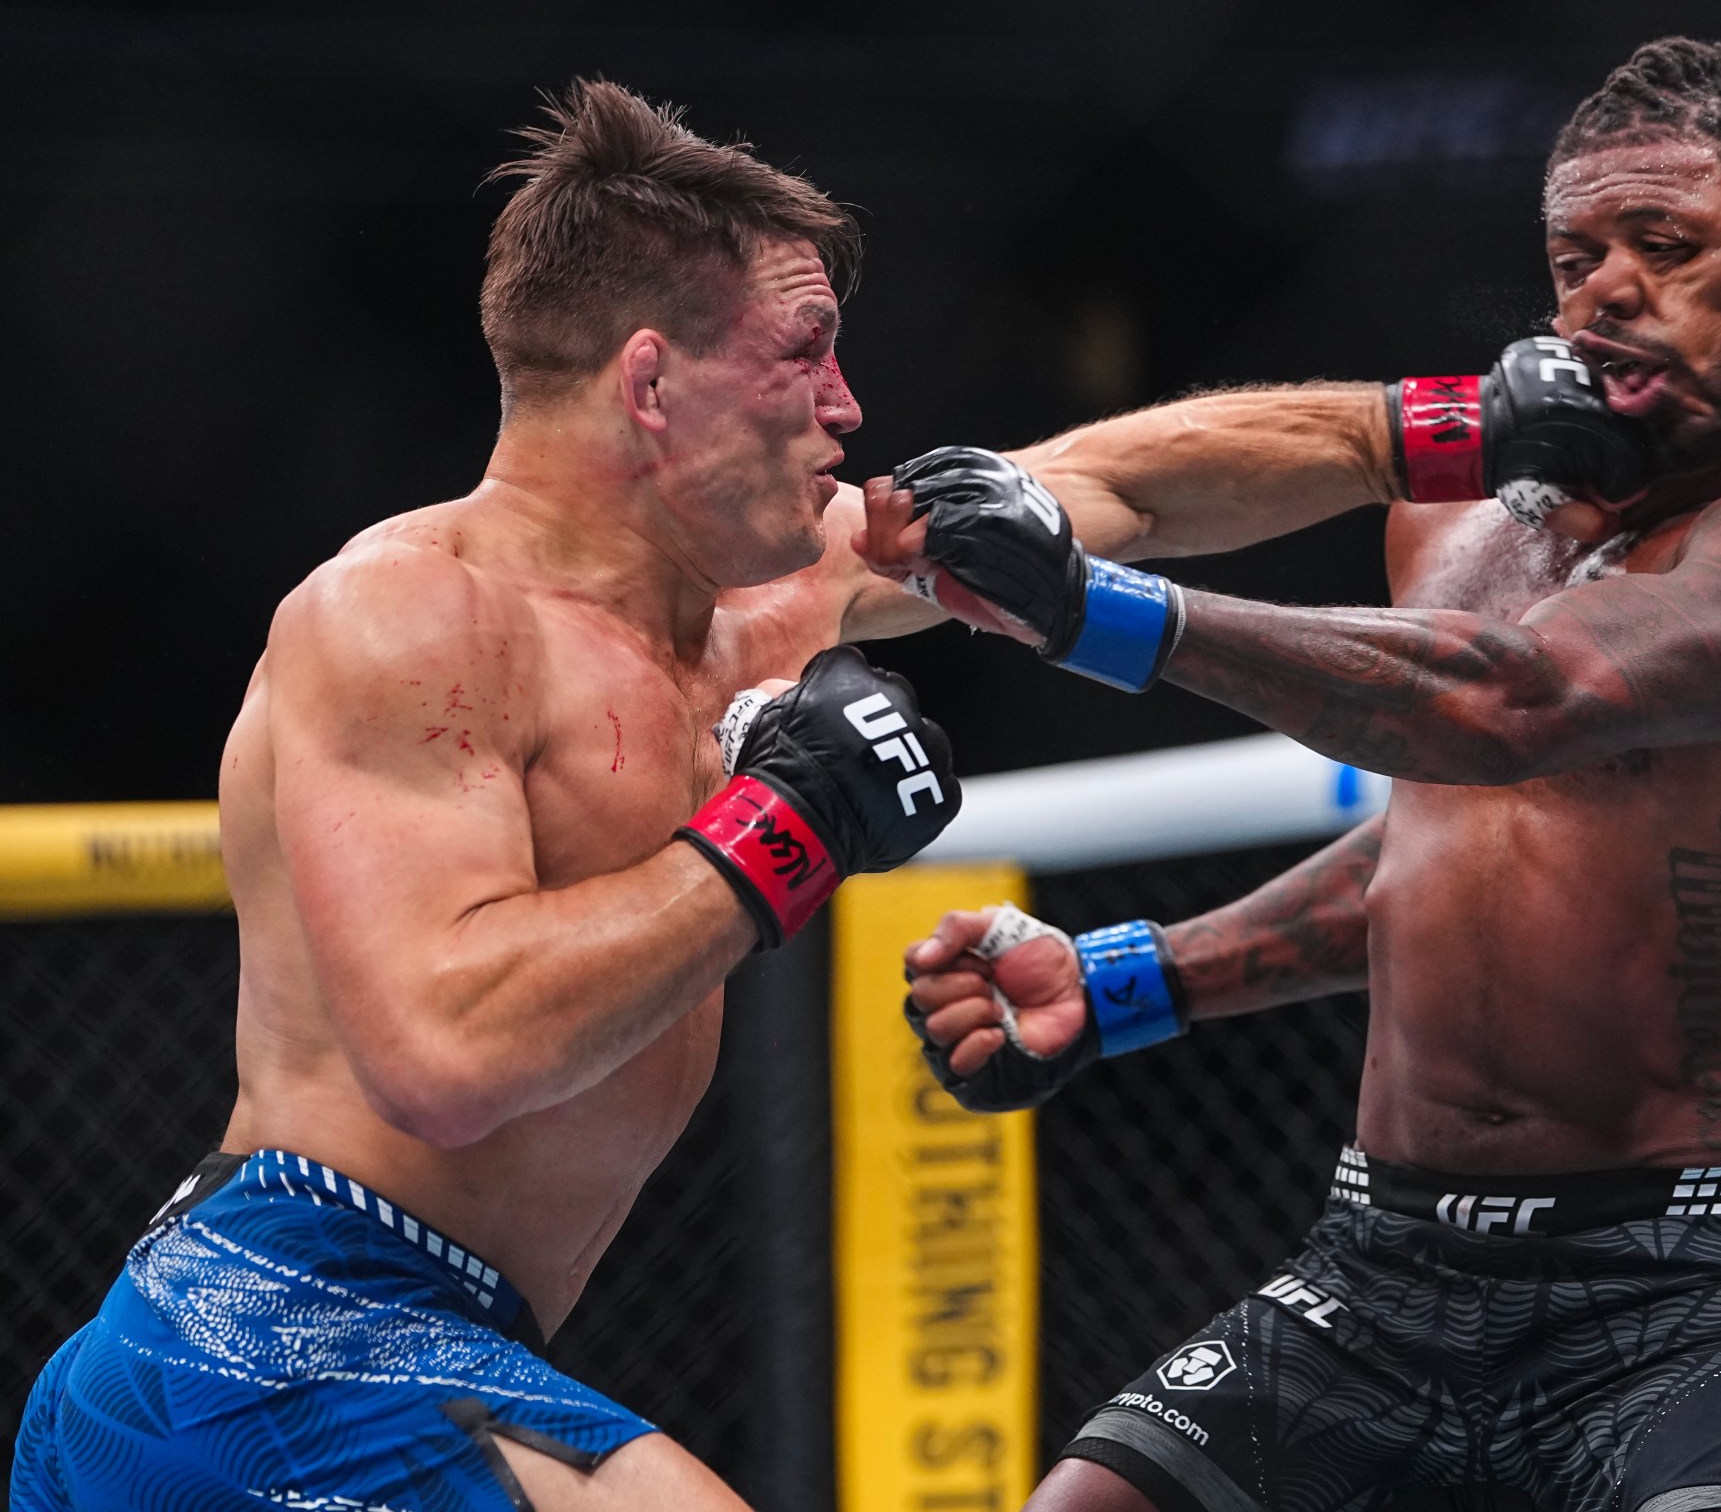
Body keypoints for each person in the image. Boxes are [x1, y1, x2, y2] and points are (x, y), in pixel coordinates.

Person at [8, 82, 1633, 1512]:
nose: (851, 409)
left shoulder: (766, 608)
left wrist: (1445, 429)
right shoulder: (408, 618)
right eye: (804, 358)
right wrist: (776, 835)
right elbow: (446, 1057)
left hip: (425, 1340)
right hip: (266, 1333)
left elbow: (1112, 487)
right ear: (653, 386)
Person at [880, 38, 1721, 1512]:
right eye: (1576, 257)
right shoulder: (1467, 527)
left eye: (1668, 247)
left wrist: (1091, 606)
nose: (1609, 289)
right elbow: (1438, 844)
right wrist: (1131, 980)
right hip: (1374, 1271)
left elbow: (1514, 706)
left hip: (1665, 1287)